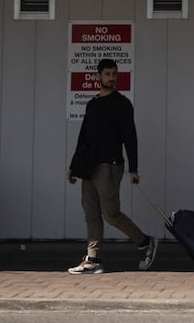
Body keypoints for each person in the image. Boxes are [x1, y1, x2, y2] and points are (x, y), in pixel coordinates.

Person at [66, 58, 159, 274]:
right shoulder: (93, 104)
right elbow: (83, 138)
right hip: (88, 167)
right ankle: (93, 259)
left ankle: (145, 242)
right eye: (107, 74)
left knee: (111, 214)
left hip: (110, 166)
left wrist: (134, 169)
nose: (112, 78)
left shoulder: (122, 104)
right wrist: (73, 166)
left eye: (114, 74)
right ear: (98, 76)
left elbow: (130, 138)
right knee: (91, 213)